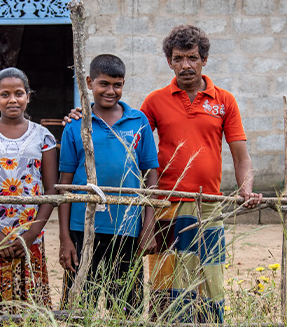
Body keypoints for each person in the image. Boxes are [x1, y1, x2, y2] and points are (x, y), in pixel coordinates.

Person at [141, 24, 262, 322]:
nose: (186, 65)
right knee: (166, 278)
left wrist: (246, 187)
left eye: (192, 58)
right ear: (169, 61)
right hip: (165, 206)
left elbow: (241, 157)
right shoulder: (154, 101)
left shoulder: (224, 101)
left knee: (209, 279)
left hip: (208, 205)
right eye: (179, 58)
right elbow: (135, 144)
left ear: (204, 59)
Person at [58, 54, 159, 312]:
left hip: (127, 226)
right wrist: (65, 238)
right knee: (81, 304)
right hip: (83, 227)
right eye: (104, 84)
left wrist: (148, 225)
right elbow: (65, 184)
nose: (111, 91)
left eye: (117, 84)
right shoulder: (77, 125)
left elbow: (151, 176)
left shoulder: (138, 122)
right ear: (90, 82)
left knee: (126, 304)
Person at [0, 67, 58, 309]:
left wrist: (29, 236)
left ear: (28, 96)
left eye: (18, 93)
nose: (12, 99)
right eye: (5, 94)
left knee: (31, 308)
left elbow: (50, 191)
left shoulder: (43, 137)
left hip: (30, 237)